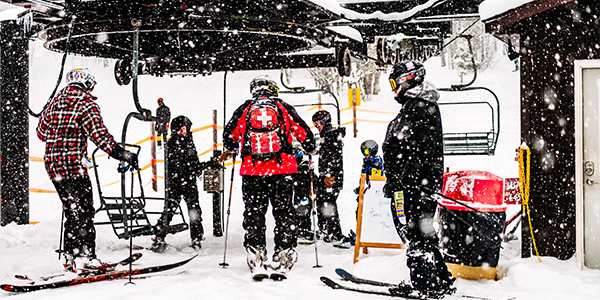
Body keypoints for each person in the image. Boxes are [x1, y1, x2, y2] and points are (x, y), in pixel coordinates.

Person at [36, 67, 139, 273]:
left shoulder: (54, 103)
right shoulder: (86, 104)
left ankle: (70, 254)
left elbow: (41, 133)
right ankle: (86, 257)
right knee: (84, 210)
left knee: (71, 210)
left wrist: (60, 133)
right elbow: (99, 135)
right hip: (74, 166)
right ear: (87, 84)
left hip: (53, 165)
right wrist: (121, 153)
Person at [220, 75, 316, 274]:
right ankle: (284, 250)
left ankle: (256, 251)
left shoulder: (245, 109)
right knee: (284, 211)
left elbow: (229, 137)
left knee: (254, 212)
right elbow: (305, 135)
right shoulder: (283, 108)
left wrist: (232, 146)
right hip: (282, 171)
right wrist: (309, 147)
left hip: (252, 172)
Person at [382, 60, 455, 298]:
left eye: (395, 83)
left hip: (415, 186)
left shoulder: (419, 108)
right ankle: (439, 278)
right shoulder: (419, 106)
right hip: (417, 183)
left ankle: (425, 283)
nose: (394, 89)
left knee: (414, 232)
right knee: (422, 231)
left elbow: (418, 149)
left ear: (407, 80)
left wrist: (402, 179)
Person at [151, 115, 221, 252]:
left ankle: (196, 237)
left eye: (185, 129)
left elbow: (193, 164)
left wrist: (205, 165)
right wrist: (201, 167)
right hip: (176, 183)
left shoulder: (189, 142)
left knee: (194, 211)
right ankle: (159, 234)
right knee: (170, 210)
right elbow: (187, 165)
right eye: (181, 129)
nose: (184, 131)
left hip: (189, 183)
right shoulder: (173, 143)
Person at [312, 110, 346, 243]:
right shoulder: (326, 135)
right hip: (326, 176)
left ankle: (335, 232)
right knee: (321, 200)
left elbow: (334, 158)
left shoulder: (331, 135)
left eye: (318, 123)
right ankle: (325, 228)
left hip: (331, 177)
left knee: (328, 202)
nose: (316, 126)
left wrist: (329, 175)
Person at [291, 147, 314, 242]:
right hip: (299, 193)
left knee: (304, 211)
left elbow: (310, 180)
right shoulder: (296, 168)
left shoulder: (303, 168)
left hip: (304, 193)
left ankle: (304, 229)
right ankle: (300, 229)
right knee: (298, 211)